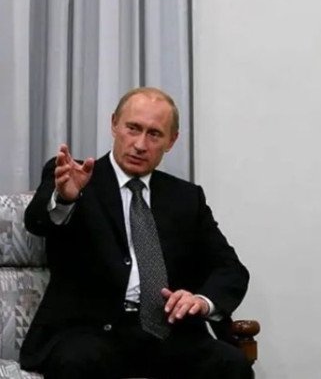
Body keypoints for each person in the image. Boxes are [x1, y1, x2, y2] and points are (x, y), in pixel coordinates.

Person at [22, 87, 252, 378]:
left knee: (231, 365)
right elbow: (37, 222)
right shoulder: (76, 178)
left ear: (171, 141)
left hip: (168, 333)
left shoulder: (186, 197)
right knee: (79, 362)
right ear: (114, 124)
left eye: (154, 134)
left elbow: (230, 269)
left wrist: (202, 301)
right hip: (89, 333)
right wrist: (66, 199)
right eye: (133, 128)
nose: (140, 144)